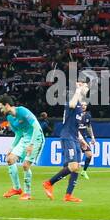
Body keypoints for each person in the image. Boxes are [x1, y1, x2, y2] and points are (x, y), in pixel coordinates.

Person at [43, 73, 90, 203]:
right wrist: (78, 90)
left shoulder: (80, 104)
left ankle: (68, 195)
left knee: (76, 166)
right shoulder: (73, 97)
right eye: (85, 85)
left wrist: (81, 140)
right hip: (67, 136)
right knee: (73, 165)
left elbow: (75, 124)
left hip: (74, 137)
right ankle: (48, 183)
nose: (87, 88)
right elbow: (71, 105)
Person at [0, 94, 43, 199]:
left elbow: (36, 127)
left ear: (7, 105)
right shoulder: (9, 117)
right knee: (10, 159)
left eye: (1, 107)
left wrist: (31, 144)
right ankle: (17, 188)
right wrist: (12, 147)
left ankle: (27, 193)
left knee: (25, 165)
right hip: (25, 138)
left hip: (36, 138)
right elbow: (18, 133)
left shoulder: (22, 111)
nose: (0, 110)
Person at [77, 100, 96, 179]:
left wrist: (92, 137)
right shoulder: (76, 115)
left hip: (84, 138)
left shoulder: (88, 115)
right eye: (82, 105)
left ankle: (84, 171)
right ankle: (65, 171)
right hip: (75, 137)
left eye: (85, 105)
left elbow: (89, 127)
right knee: (73, 156)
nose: (84, 106)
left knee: (89, 155)